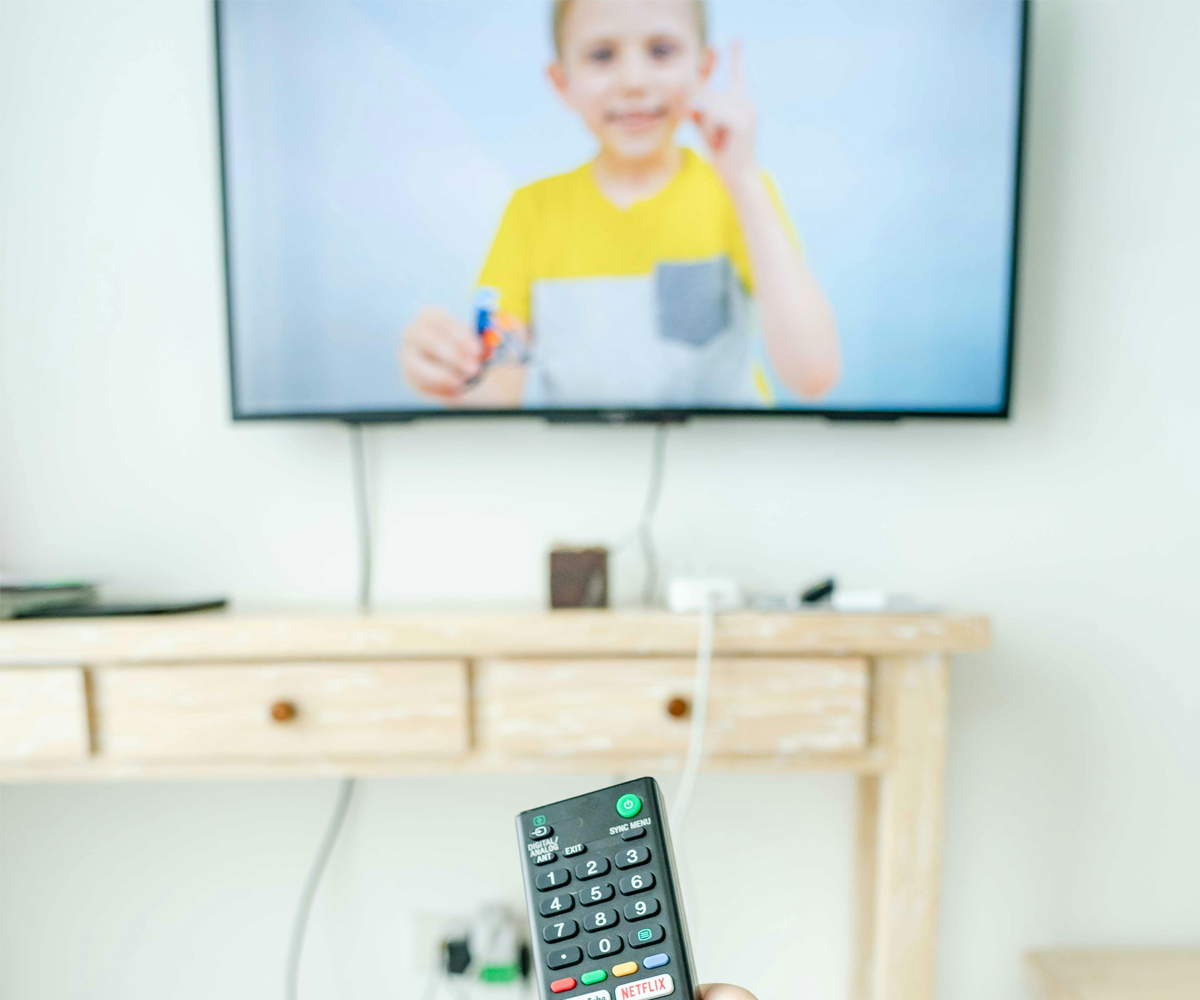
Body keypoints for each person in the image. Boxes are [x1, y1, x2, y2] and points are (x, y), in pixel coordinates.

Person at [399, 0, 839, 408]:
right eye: (602, 55)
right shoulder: (531, 212)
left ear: (704, 69)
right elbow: (500, 387)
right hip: (588, 480)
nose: (633, 81)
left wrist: (743, 180)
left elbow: (812, 374)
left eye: (661, 50)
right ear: (562, 82)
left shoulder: (740, 194)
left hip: (727, 473)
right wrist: (454, 376)